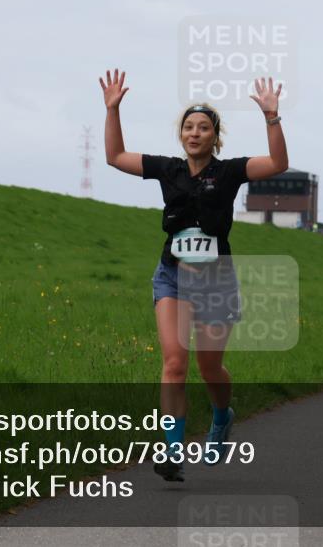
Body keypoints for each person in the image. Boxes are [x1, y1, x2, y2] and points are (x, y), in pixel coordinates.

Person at [102, 69, 288, 482]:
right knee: (174, 363)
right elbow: (115, 157)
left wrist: (272, 119)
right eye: (189, 127)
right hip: (172, 276)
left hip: (216, 281)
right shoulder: (167, 169)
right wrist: (112, 111)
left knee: (209, 370)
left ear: (214, 136)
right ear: (181, 134)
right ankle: (171, 449)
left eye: (203, 128)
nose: (195, 133)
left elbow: (278, 163)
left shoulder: (229, 172)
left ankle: (222, 416)